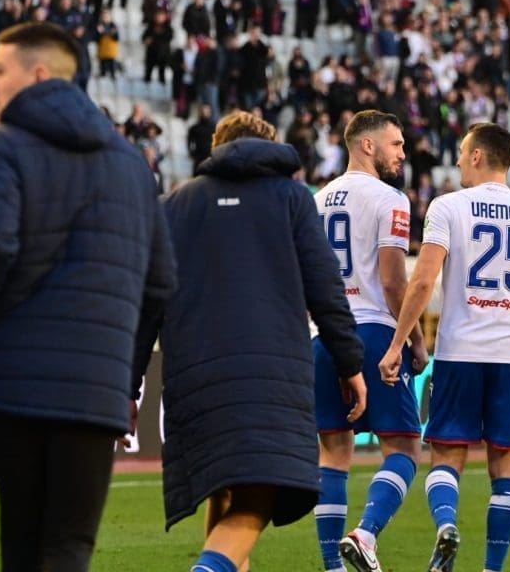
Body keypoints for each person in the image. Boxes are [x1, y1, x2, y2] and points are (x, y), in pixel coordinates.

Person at [0, 22, 177, 572]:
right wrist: (119, 362)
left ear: (38, 75)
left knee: (21, 545)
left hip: (15, 380)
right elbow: (162, 282)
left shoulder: (3, 144)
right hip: (96, 388)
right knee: (70, 547)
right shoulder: (132, 163)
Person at [132, 110, 366, 572]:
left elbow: (146, 306)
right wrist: (350, 363)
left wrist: (128, 386)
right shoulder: (292, 198)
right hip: (270, 377)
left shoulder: (172, 206)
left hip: (193, 378)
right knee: (258, 494)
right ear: (270, 146)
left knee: (223, 488)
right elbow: (326, 290)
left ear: (216, 147)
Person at [380, 122, 510, 572]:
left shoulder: (448, 207)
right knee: (505, 465)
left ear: (477, 156)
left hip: (459, 354)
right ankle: (492, 568)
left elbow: (423, 280)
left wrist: (398, 343)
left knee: (446, 457)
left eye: (462, 152)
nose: (456, 161)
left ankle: (447, 525)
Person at [312, 110, 428, 572]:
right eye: (396, 144)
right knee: (404, 449)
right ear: (367, 145)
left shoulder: (317, 200)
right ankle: (365, 534)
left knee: (333, 453)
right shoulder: (390, 199)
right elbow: (394, 282)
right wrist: (414, 339)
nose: (402, 153)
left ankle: (332, 566)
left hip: (325, 335)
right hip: (374, 330)